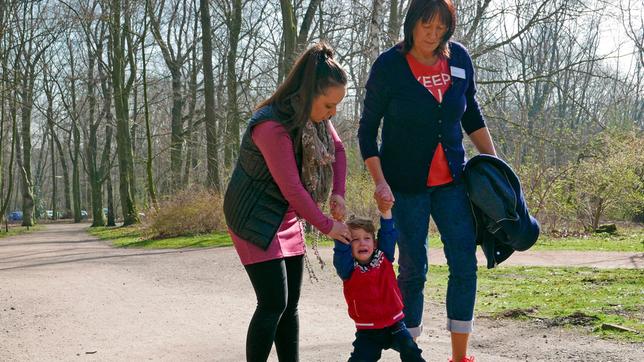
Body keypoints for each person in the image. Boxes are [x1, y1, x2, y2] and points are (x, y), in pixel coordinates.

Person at [357, 1, 497, 361]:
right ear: (411, 24)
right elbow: (367, 132)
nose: (432, 36)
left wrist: (496, 168)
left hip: (453, 183)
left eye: (440, 29)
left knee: (464, 263)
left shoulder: (460, 59)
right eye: (426, 27)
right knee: (413, 269)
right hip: (405, 186)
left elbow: (472, 114)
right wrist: (379, 182)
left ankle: (459, 356)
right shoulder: (388, 67)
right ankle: (412, 355)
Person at [223, 42, 352, 362]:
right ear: (309, 93)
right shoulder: (271, 126)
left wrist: (337, 192)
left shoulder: (316, 115)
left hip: (286, 214)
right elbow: (293, 188)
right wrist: (327, 226)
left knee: (290, 304)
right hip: (253, 216)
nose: (332, 113)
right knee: (272, 303)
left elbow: (338, 151)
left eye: (337, 106)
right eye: (328, 105)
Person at [333, 211, 425, 362]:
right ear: (348, 245)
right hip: (368, 331)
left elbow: (388, 234)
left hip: (396, 324)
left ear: (374, 243)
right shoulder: (347, 268)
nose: (362, 242)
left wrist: (387, 212)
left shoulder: (384, 257)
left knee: (412, 352)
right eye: (355, 239)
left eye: (367, 238)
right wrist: (338, 222)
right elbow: (341, 249)